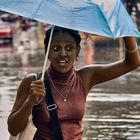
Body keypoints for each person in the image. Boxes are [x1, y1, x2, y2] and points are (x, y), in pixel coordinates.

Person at [7, 26, 140, 139]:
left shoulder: (85, 77)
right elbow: (13, 129)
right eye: (55, 48)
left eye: (69, 48)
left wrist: (124, 29)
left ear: (77, 52)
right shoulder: (33, 82)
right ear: (47, 52)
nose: (63, 54)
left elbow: (131, 63)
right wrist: (30, 101)